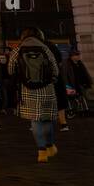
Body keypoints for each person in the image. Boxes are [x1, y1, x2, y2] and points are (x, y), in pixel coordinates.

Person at [13, 27, 60, 162]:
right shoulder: (45, 49)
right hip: (46, 89)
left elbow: (10, 70)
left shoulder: (18, 49)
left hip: (28, 90)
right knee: (47, 119)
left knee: (35, 121)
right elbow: (55, 70)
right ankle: (50, 146)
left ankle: (41, 152)